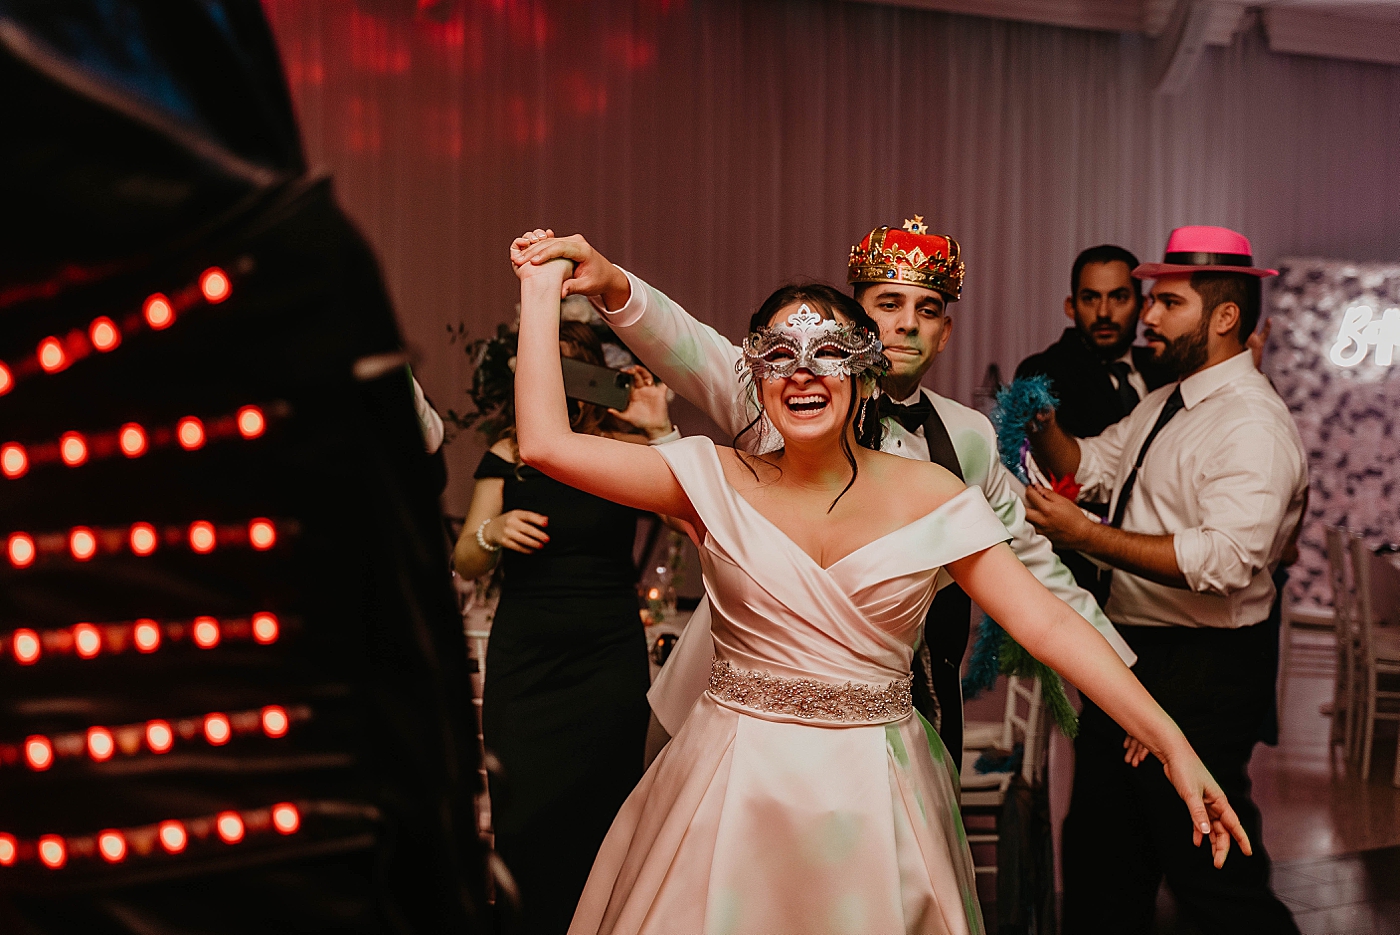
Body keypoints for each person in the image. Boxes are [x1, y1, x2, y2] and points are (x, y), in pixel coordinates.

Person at [508, 236, 1249, 935]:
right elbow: (543, 444)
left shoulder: (931, 492)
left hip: (876, 792)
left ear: (861, 372)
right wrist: (543, 291)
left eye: (829, 352)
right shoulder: (709, 477)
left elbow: (1048, 623)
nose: (804, 370)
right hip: (731, 783)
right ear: (756, 373)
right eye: (781, 355)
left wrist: (1172, 741)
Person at [512, 220, 1135, 769]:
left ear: (945, 332)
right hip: (739, 703)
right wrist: (613, 283)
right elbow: (689, 344)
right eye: (888, 304)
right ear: (859, 320)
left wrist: (1126, 686)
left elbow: (1030, 565)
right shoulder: (779, 388)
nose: (905, 324)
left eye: (926, 309)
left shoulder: (968, 437)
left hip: (894, 701)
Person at [1023, 226, 1306, 934]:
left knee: (1214, 880)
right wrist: (1043, 422)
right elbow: (1090, 462)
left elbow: (1224, 561)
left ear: (1224, 316)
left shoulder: (1251, 425)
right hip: (1142, 654)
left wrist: (1088, 537)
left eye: (1165, 302)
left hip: (1201, 669)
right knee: (1101, 865)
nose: (1146, 316)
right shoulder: (1166, 402)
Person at [454, 321, 674, 935]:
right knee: (522, 815)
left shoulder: (624, 448)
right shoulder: (508, 450)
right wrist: (489, 534)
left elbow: (694, 526)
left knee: (603, 814)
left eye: (561, 365)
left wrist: (656, 429)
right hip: (527, 659)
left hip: (606, 658)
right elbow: (464, 562)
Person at [1015, 245, 1172, 600]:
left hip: (1159, 573)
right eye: (1091, 298)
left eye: (1118, 297)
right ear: (1071, 306)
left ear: (1143, 304)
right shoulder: (1044, 372)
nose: (1104, 312)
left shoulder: (1165, 367)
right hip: (1076, 572)